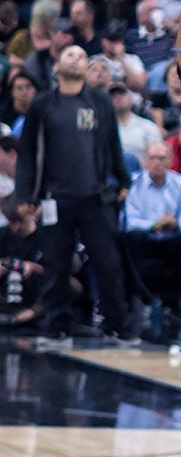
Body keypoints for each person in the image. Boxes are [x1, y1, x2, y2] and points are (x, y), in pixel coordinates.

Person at [13, 44, 137, 342]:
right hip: (54, 198)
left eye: (83, 56)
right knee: (56, 265)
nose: (78, 59)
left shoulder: (99, 101)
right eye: (71, 55)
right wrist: (25, 196)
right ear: (57, 65)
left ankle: (115, 324)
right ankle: (57, 325)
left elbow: (113, 143)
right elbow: (27, 153)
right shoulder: (43, 104)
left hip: (95, 196)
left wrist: (122, 180)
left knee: (108, 263)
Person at [122, 139, 181, 341]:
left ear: (170, 161)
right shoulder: (134, 183)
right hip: (144, 238)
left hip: (171, 237)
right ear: (145, 162)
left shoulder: (178, 183)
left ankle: (171, 306)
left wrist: (175, 223)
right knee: (132, 237)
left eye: (162, 158)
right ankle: (144, 300)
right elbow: (130, 221)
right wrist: (154, 224)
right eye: (152, 158)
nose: (157, 163)